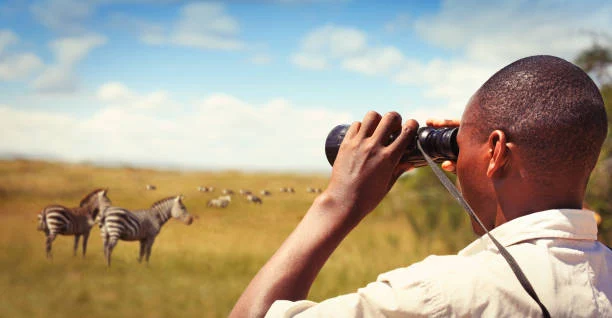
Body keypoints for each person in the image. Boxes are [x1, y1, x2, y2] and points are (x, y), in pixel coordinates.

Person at [230, 55, 612, 317]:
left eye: (464, 146)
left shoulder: (437, 296)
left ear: (496, 151)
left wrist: (338, 202)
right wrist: (472, 148)